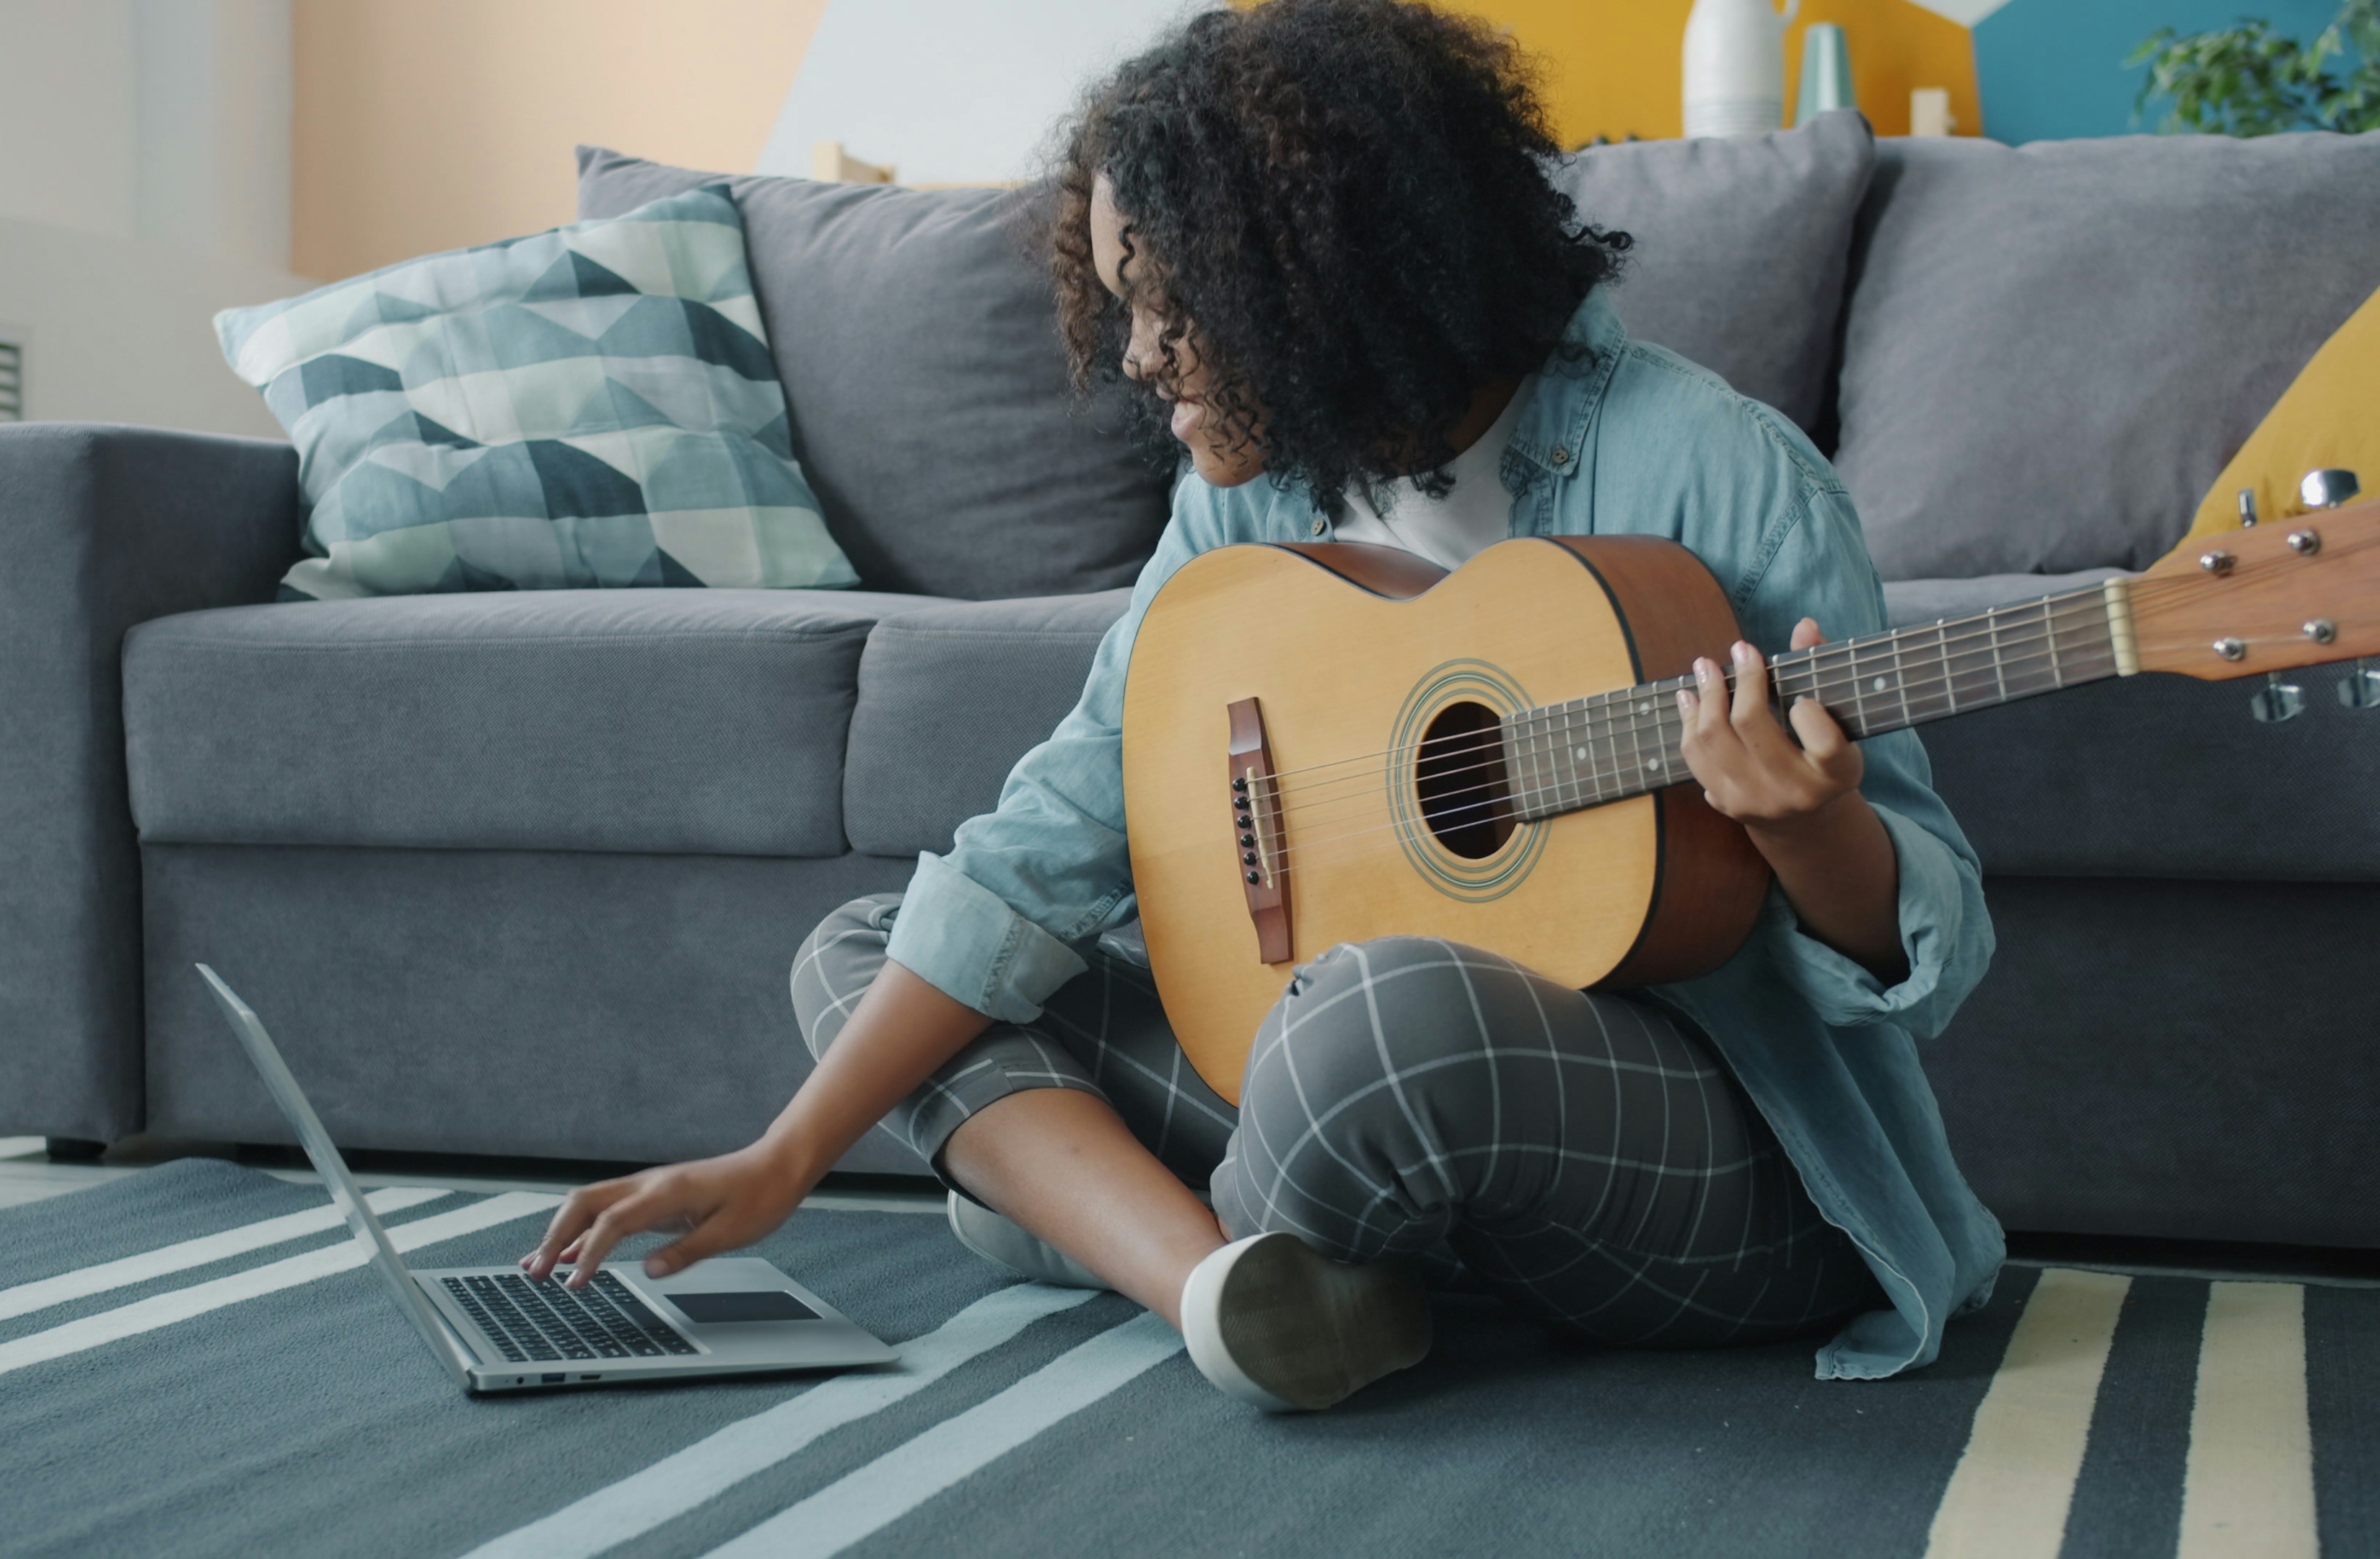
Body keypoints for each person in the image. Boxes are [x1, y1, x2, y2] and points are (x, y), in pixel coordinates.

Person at [525, 0, 2001, 1411]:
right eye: (1125, 306)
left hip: (1700, 1173)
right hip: (1343, 1103)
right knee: (868, 952)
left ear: (1325, 272)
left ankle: (1094, 1215)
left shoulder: (1724, 476)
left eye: (1178, 305)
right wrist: (784, 1157)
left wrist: (1812, 835)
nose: (1139, 357)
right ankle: (1227, 1292)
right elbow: (1045, 839)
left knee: (1375, 1012)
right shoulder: (1256, 500)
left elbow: (1932, 951)